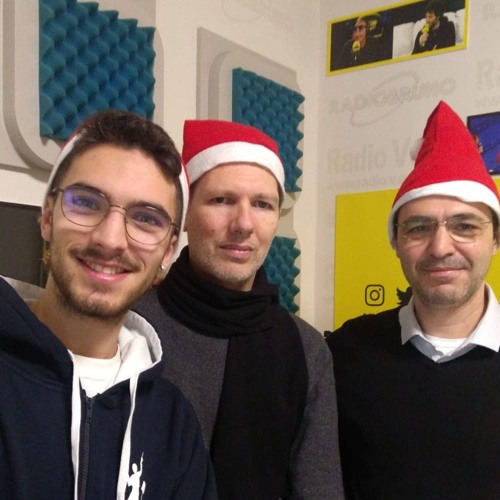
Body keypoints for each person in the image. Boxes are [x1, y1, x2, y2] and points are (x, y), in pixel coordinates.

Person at [0, 110, 217, 499]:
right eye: (86, 202)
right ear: (47, 216)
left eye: (146, 218)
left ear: (168, 252)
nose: (111, 239)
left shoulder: (173, 425)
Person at [135, 120, 344, 499]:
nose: (244, 224)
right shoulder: (130, 327)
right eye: (222, 200)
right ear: (184, 214)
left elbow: (319, 490)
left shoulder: (307, 350)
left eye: (263, 204)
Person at [326, 100, 500, 499]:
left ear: (495, 239)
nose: (440, 247)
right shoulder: (346, 352)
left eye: (464, 226)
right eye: (419, 228)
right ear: (396, 242)